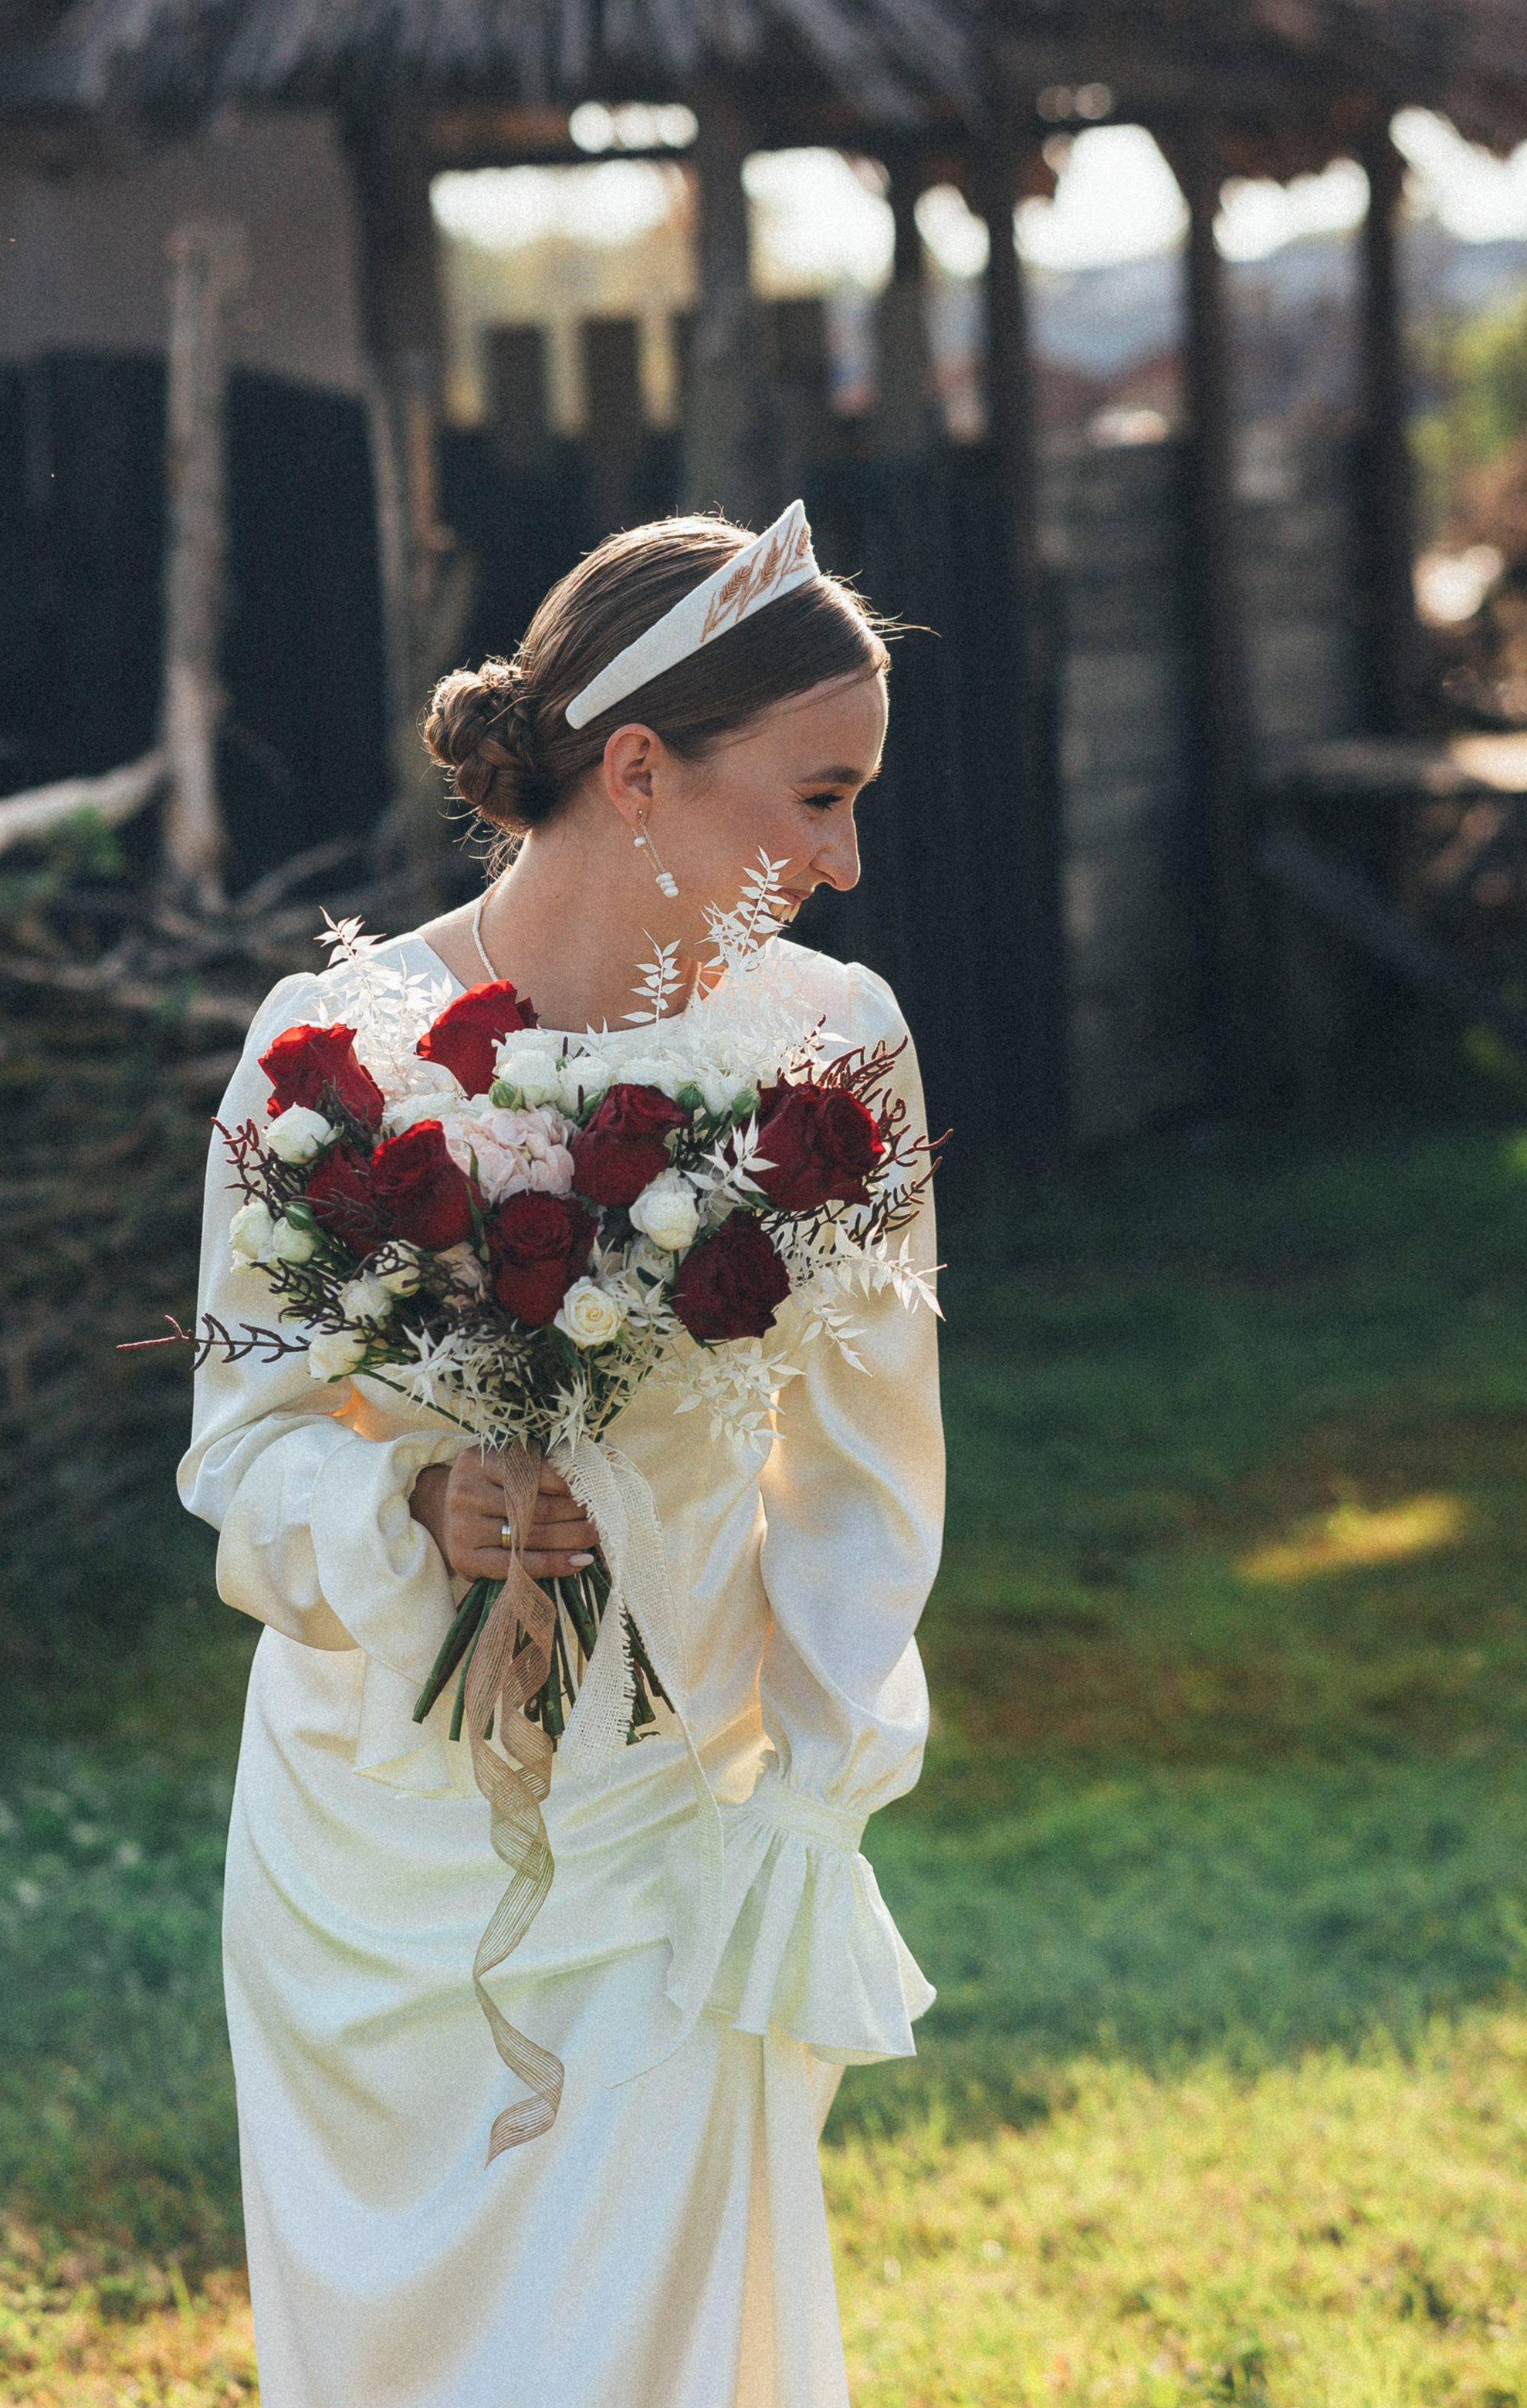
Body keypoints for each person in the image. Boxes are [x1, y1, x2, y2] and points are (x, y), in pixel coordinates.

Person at [181, 507, 944, 2408]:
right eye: (816, 795)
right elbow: (242, 1444)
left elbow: (867, 1471)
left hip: (670, 1831)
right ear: (633, 771)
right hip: (363, 1845)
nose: (845, 862)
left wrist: (814, 1794)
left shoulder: (833, 1053)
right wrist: (409, 1502)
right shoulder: (329, 1054)